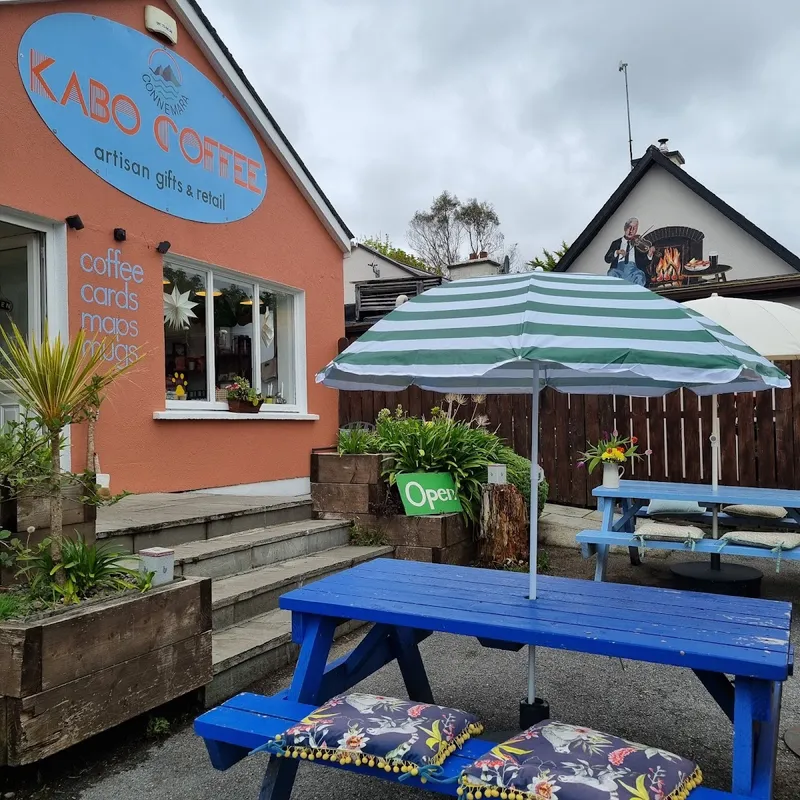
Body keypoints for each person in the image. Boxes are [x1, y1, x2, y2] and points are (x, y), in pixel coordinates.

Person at [604, 217, 655, 286]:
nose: (631, 230)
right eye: (629, 227)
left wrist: (649, 255)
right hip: (618, 271)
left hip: (634, 272)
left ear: (636, 230)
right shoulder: (616, 243)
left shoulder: (638, 245)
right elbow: (607, 259)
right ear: (625, 228)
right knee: (611, 273)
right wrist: (617, 252)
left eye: (634, 228)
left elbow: (644, 263)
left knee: (640, 276)